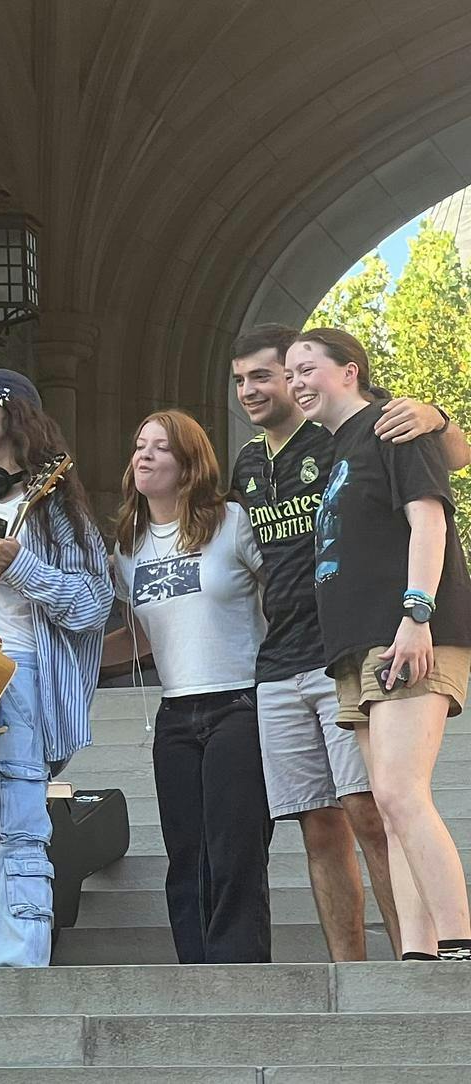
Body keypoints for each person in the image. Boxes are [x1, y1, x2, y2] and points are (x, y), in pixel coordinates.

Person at [230, 324, 466, 960]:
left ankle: (457, 941)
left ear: (349, 371)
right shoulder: (328, 451)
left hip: (403, 634)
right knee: (381, 806)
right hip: (344, 647)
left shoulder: (391, 424)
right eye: (293, 371)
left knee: (391, 794)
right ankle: (415, 954)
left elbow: (431, 510)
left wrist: (417, 614)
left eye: (304, 369)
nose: (295, 382)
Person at [0, 369, 113, 969]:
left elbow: (94, 602)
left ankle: (17, 971)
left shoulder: (55, 509)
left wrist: (22, 566)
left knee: (15, 827)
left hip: (18, 676)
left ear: (18, 415)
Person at [110, 410, 272, 963]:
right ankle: (195, 971)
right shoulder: (126, 548)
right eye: (139, 445)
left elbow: (286, 594)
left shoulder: (231, 522)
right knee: (185, 852)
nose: (144, 455)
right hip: (175, 713)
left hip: (240, 703)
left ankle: (239, 972)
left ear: (188, 464)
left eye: (160, 447)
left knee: (234, 849)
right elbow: (137, 638)